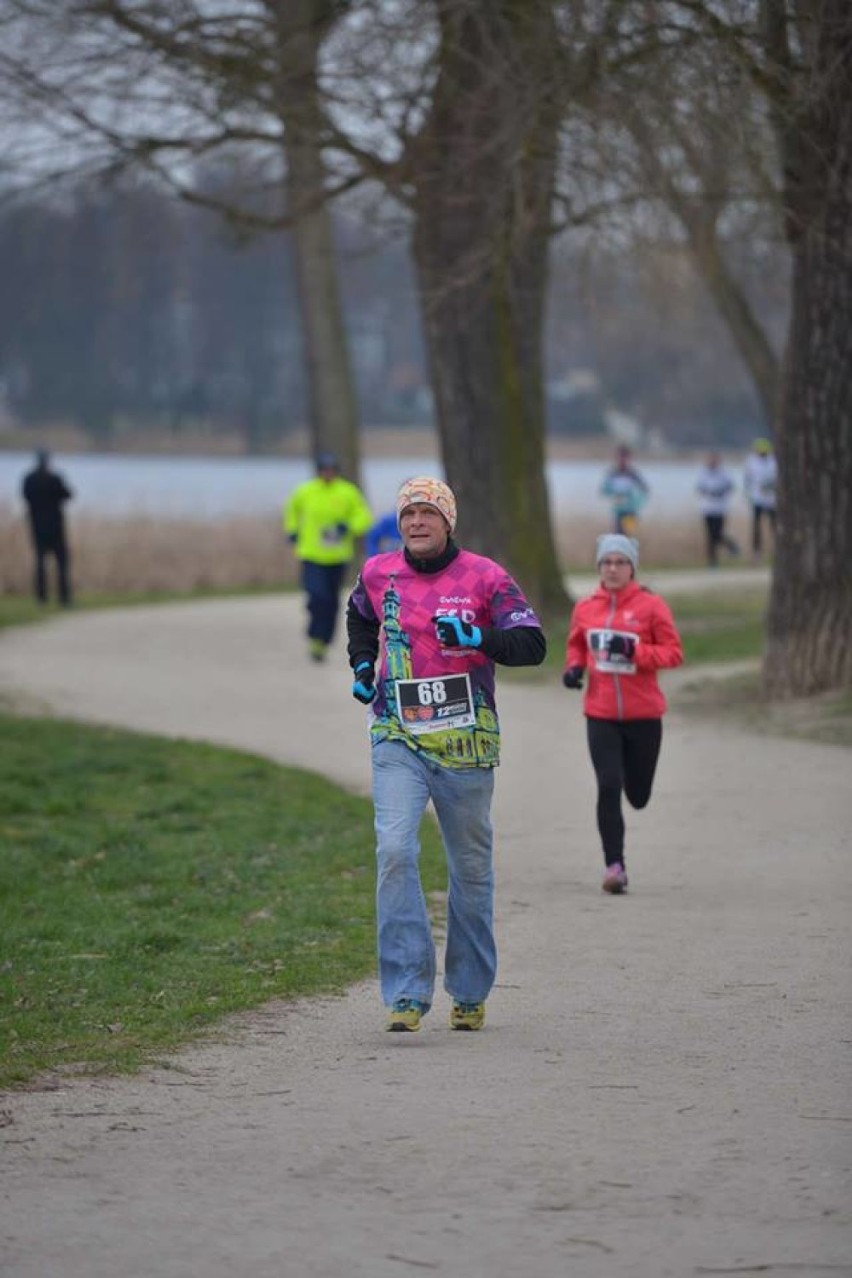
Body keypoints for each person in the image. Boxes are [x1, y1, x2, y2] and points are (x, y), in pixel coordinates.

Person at [346, 476, 546, 1033]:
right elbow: (359, 616)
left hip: (466, 743)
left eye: (427, 514)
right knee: (393, 849)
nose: (416, 523)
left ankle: (469, 989)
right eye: (408, 514)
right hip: (397, 734)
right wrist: (363, 666)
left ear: (448, 521)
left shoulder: (486, 577)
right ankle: (406, 993)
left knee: (471, 869)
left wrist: (480, 637)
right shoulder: (378, 571)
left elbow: (532, 646)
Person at [562, 533, 683, 895]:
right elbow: (577, 647)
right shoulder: (585, 608)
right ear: (599, 568)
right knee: (608, 785)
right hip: (600, 714)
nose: (613, 569)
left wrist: (636, 653)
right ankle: (615, 866)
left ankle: (637, 788)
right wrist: (573, 669)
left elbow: (673, 653)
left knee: (638, 795)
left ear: (632, 568)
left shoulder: (652, 606)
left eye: (620, 562)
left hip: (644, 715)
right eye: (607, 563)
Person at [283, 452, 373, 662]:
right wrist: (292, 530)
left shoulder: (348, 492)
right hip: (311, 554)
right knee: (317, 596)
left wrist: (348, 526)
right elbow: (291, 511)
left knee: (332, 601)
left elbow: (364, 516)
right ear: (319, 471)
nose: (328, 474)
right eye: (324, 470)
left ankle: (322, 641)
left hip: (337, 556)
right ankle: (314, 633)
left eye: (331, 470)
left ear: (337, 472)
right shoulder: (305, 491)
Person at [21, 449, 74, 606]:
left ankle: (41, 598)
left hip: (37, 527)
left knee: (40, 563)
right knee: (62, 563)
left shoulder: (29, 480)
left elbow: (25, 496)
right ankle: (64, 598)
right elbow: (68, 495)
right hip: (56, 527)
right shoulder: (55, 479)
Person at [695, 450, 740, 567]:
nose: (712, 462)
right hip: (707, 509)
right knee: (710, 536)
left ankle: (730, 545)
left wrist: (720, 492)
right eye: (710, 460)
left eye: (714, 460)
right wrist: (709, 491)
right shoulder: (703, 472)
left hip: (720, 508)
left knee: (718, 534)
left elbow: (731, 486)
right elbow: (699, 488)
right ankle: (712, 561)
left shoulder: (724, 472)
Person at [600, 444, 650, 535]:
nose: (622, 460)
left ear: (629, 458)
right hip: (617, 512)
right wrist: (614, 495)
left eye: (624, 457)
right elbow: (604, 491)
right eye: (620, 457)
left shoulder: (633, 474)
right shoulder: (612, 474)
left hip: (630, 512)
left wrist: (636, 502)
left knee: (629, 535)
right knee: (617, 536)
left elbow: (645, 490)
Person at [743, 437, 777, 560]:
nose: (761, 453)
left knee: (775, 526)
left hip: (772, 500)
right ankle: (756, 552)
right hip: (757, 498)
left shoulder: (774, 461)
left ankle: (777, 549)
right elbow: (747, 479)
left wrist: (771, 485)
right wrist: (748, 495)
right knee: (756, 526)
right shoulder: (751, 461)